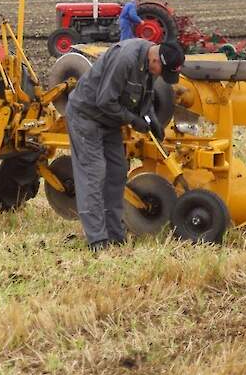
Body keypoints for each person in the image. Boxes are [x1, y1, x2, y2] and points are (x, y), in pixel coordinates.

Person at [65, 39, 184, 251]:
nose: (159, 75)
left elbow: (144, 97)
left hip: (109, 120)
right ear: (156, 59)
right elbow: (105, 101)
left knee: (117, 171)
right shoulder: (126, 59)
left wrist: (151, 119)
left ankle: (115, 234)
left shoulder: (149, 62)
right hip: (87, 115)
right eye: (161, 70)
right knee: (94, 172)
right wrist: (133, 120)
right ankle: (97, 240)